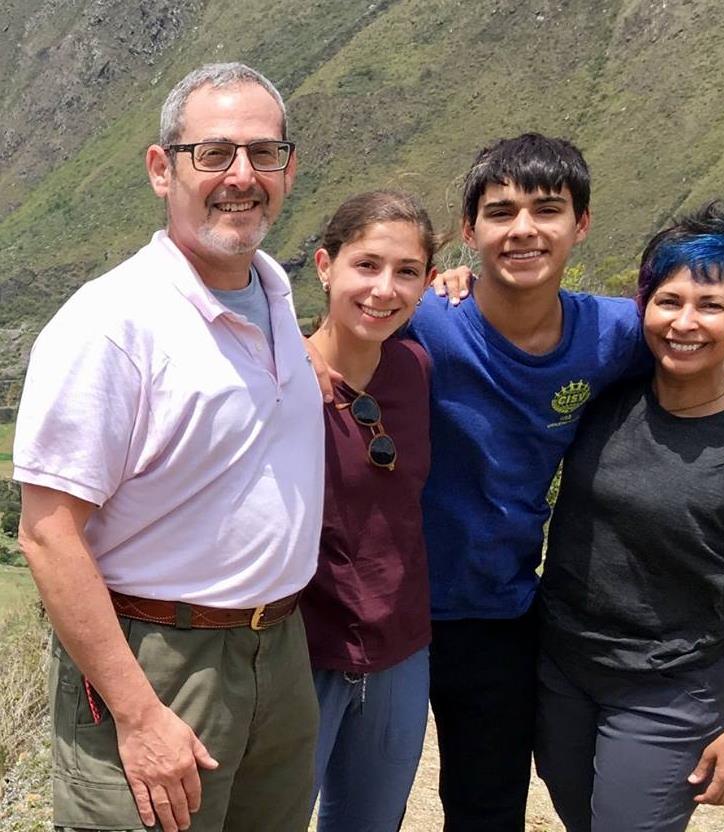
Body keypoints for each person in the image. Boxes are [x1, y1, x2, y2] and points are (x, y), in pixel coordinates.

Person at [410, 133, 724, 831]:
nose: (525, 229)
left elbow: (696, 350)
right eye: (502, 211)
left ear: (583, 224)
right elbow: (334, 343)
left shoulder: (614, 336)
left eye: (548, 209)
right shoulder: (422, 320)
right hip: (401, 616)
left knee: (488, 808)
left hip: (505, 618)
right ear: (470, 230)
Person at [14, 63, 323, 832]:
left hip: (279, 651)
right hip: (155, 660)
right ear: (163, 168)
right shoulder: (114, 322)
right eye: (213, 154)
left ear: (289, 166)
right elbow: (48, 533)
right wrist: (139, 714)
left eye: (263, 153)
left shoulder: (278, 296)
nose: (242, 177)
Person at [535, 203, 724, 832]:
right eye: (669, 301)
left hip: (672, 688)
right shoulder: (605, 398)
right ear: (643, 305)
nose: (685, 323)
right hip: (561, 670)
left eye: (711, 306)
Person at [300, 191, 438, 832]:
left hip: (400, 650)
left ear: (429, 283)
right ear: (325, 265)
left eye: (407, 271)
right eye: (367, 265)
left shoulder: (415, 367)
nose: (384, 289)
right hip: (299, 652)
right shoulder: (277, 375)